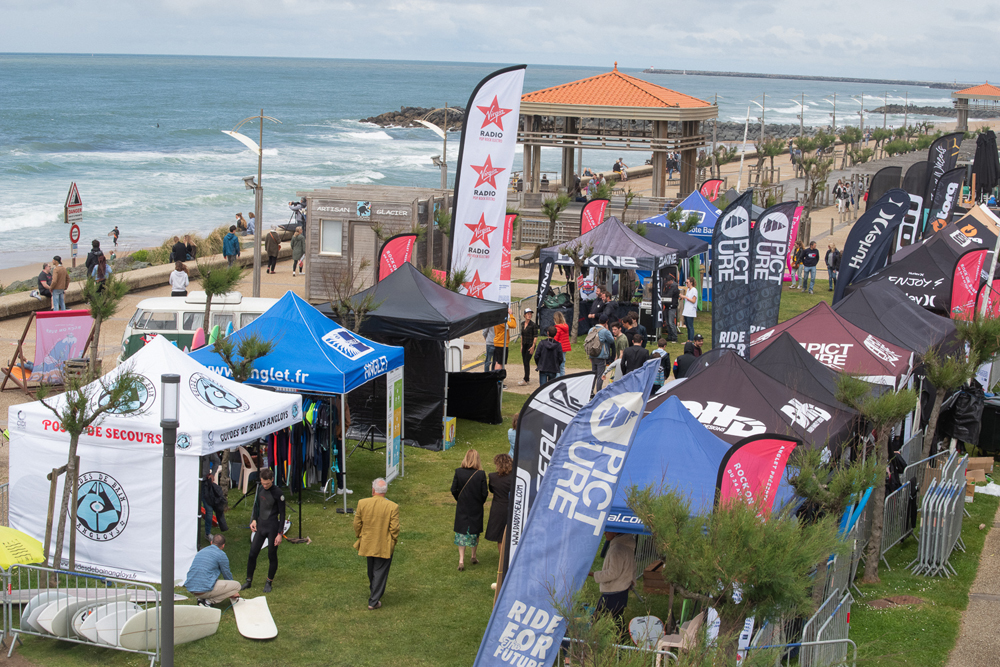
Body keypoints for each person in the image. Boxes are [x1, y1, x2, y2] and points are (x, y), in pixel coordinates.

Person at [353, 477, 399, 610]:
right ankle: (373, 601)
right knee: (379, 571)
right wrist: (393, 540)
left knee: (372, 569)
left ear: (373, 490)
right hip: (384, 544)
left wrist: (360, 535)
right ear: (385, 491)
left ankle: (374, 592)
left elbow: (357, 523)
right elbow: (395, 528)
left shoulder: (362, 503)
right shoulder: (392, 506)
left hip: (368, 542)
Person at [242, 468, 284, 593]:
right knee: (252, 554)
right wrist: (254, 520)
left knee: (271, 555)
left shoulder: (278, 493)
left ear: (272, 479)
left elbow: (282, 514)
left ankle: (269, 581)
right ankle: (248, 581)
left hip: (272, 527)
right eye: (263, 483)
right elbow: (257, 506)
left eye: (267, 483)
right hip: (261, 527)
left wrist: (280, 533)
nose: (265, 486)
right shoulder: (260, 489)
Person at [589, 532, 636, 634]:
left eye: (608, 530)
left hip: (613, 591)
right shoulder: (627, 546)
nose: (605, 533)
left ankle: (587, 640)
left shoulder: (617, 549)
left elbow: (612, 573)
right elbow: (633, 567)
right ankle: (620, 641)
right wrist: (631, 581)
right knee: (617, 618)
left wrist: (593, 574)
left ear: (615, 532)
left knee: (597, 617)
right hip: (622, 590)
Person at [451, 449, 488, 571]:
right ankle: (473, 555)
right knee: (475, 531)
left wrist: (459, 499)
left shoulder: (458, 472)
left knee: (461, 532)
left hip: (462, 506)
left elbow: (453, 489)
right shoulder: (480, 474)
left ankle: (461, 560)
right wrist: (479, 502)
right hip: (476, 506)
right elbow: (484, 493)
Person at [183, 535, 241, 607]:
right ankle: (208, 602)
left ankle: (201, 598)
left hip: (191, 587)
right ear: (223, 546)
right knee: (237, 585)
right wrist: (232, 591)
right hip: (203, 589)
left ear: (211, 542)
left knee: (212, 581)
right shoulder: (221, 555)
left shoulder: (201, 551)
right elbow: (227, 575)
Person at [485, 453, 513, 546]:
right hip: (512, 506)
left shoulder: (493, 477)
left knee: (500, 537)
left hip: (498, 508)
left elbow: (492, 490)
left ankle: (501, 558)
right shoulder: (514, 477)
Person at [589, 315, 616, 394]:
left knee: (593, 374)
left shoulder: (591, 329)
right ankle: (598, 392)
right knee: (600, 375)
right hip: (601, 355)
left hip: (592, 354)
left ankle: (590, 391)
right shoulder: (604, 331)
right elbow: (611, 340)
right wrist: (607, 329)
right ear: (606, 322)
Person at [201, 470, 228, 540]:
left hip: (205, 484)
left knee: (209, 510)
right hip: (193, 483)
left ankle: (207, 533)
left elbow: (216, 460)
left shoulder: (208, 458)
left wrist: (212, 474)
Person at [518, 309, 538, 386]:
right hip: (524, 344)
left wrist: (533, 346)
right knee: (524, 362)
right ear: (524, 315)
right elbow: (522, 335)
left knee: (526, 361)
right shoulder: (522, 324)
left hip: (530, 344)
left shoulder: (533, 325)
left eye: (530, 314)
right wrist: (521, 346)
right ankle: (526, 377)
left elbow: (535, 336)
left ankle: (526, 379)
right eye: (528, 314)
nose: (529, 315)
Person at [552, 311, 571, 376]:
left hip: (558, 349)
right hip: (564, 348)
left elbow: (555, 340)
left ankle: (557, 380)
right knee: (562, 365)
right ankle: (563, 380)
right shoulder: (566, 327)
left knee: (557, 366)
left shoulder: (557, 329)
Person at [662, 275, 680, 342]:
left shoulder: (674, 286)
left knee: (671, 322)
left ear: (670, 281)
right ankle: (670, 336)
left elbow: (668, 295)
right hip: (667, 306)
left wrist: (662, 296)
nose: (665, 283)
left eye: (666, 282)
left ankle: (675, 337)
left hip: (672, 306)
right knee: (668, 322)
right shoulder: (668, 286)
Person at [682, 277, 698, 341]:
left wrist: (685, 297)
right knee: (688, 326)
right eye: (686, 282)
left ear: (691, 283)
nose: (686, 284)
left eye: (687, 282)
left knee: (690, 326)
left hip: (691, 311)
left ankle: (691, 339)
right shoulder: (688, 290)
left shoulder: (694, 290)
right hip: (686, 310)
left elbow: (693, 300)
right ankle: (689, 339)